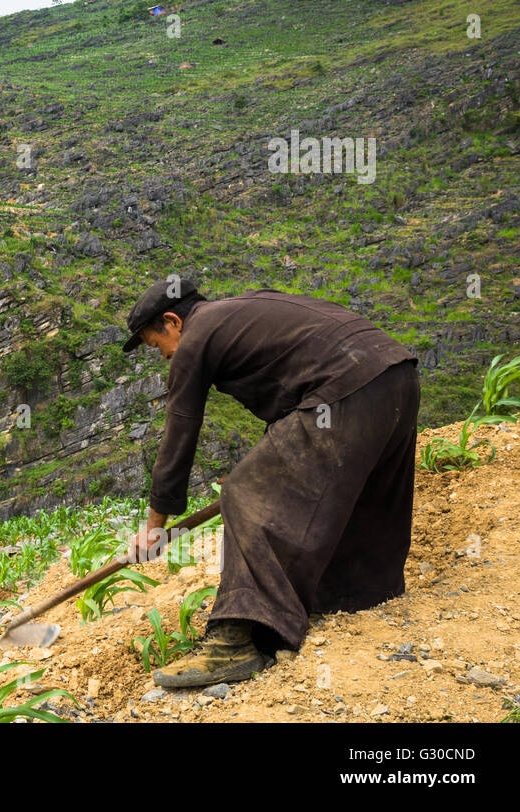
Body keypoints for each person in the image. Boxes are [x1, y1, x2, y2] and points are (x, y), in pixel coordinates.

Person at [122, 278, 419, 688]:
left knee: (243, 492)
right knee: (364, 489)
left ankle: (235, 642)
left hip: (345, 389)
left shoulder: (196, 337)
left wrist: (154, 527)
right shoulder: (244, 309)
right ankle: (361, 593)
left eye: (158, 345)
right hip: (396, 375)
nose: (165, 356)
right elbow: (293, 394)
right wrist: (268, 461)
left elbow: (180, 433)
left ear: (173, 322)